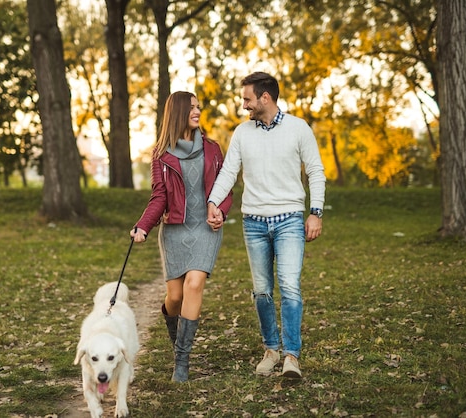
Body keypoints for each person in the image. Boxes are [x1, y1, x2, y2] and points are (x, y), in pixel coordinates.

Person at [207, 72, 326, 379]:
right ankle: (271, 350)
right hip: (254, 223)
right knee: (262, 292)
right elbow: (228, 172)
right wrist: (213, 203)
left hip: (289, 220)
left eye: (247, 98)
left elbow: (316, 170)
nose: (244, 104)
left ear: (265, 97)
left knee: (289, 287)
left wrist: (315, 212)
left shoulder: (299, 128)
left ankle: (291, 356)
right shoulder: (242, 133)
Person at [131, 91, 233, 382]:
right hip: (174, 229)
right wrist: (143, 226)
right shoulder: (161, 155)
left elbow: (226, 189)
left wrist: (221, 212)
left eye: (198, 106)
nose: (198, 111)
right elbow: (158, 197)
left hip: (206, 228)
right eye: (191, 107)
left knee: (194, 283)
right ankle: (178, 342)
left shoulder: (213, 149)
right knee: (175, 297)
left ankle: (182, 361)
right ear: (177, 112)